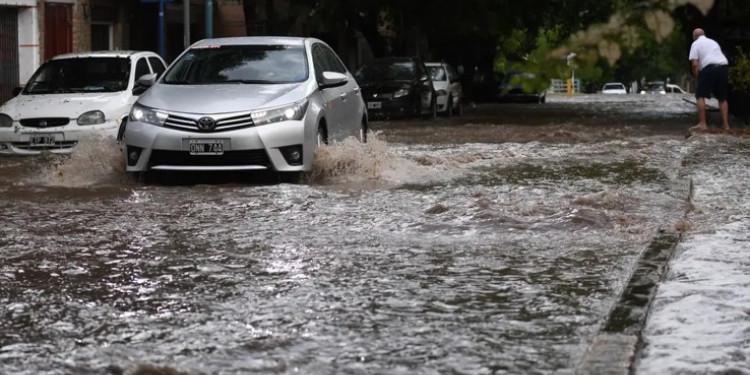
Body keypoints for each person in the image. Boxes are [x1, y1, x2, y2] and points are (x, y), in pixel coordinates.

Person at [688, 28, 730, 131]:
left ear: (694, 37)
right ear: (704, 34)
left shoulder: (695, 44)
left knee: (700, 95)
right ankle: (726, 124)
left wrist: (698, 76)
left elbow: (694, 64)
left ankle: (703, 124)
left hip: (709, 67)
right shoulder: (713, 42)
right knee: (722, 97)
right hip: (723, 66)